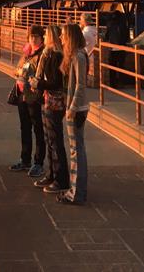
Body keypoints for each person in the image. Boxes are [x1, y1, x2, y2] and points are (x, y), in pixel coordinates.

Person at [29, 25, 68, 194]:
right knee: (49, 138)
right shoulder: (48, 53)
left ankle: (61, 179)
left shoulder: (56, 55)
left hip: (54, 101)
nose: (43, 36)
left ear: (51, 36)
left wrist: (38, 84)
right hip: (47, 100)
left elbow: (55, 82)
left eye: (45, 34)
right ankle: (52, 174)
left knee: (55, 140)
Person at [8, 25, 46, 177]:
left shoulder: (42, 54)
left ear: (41, 38)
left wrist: (27, 74)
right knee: (25, 127)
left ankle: (38, 162)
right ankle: (25, 160)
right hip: (21, 94)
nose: (33, 39)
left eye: (36, 36)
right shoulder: (26, 53)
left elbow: (41, 74)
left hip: (34, 95)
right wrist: (19, 72)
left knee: (38, 128)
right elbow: (16, 70)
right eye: (31, 36)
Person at [58, 23, 89, 205]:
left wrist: (72, 107)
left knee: (76, 152)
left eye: (63, 35)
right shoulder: (76, 55)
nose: (61, 38)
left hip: (76, 110)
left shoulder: (78, 56)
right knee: (77, 150)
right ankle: (77, 190)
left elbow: (81, 85)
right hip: (75, 108)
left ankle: (77, 193)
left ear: (70, 37)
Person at [104, 11, 129, 88]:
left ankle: (112, 84)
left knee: (112, 67)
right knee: (121, 67)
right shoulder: (124, 24)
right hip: (122, 48)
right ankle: (121, 83)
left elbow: (107, 36)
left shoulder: (110, 24)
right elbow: (126, 36)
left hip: (113, 48)